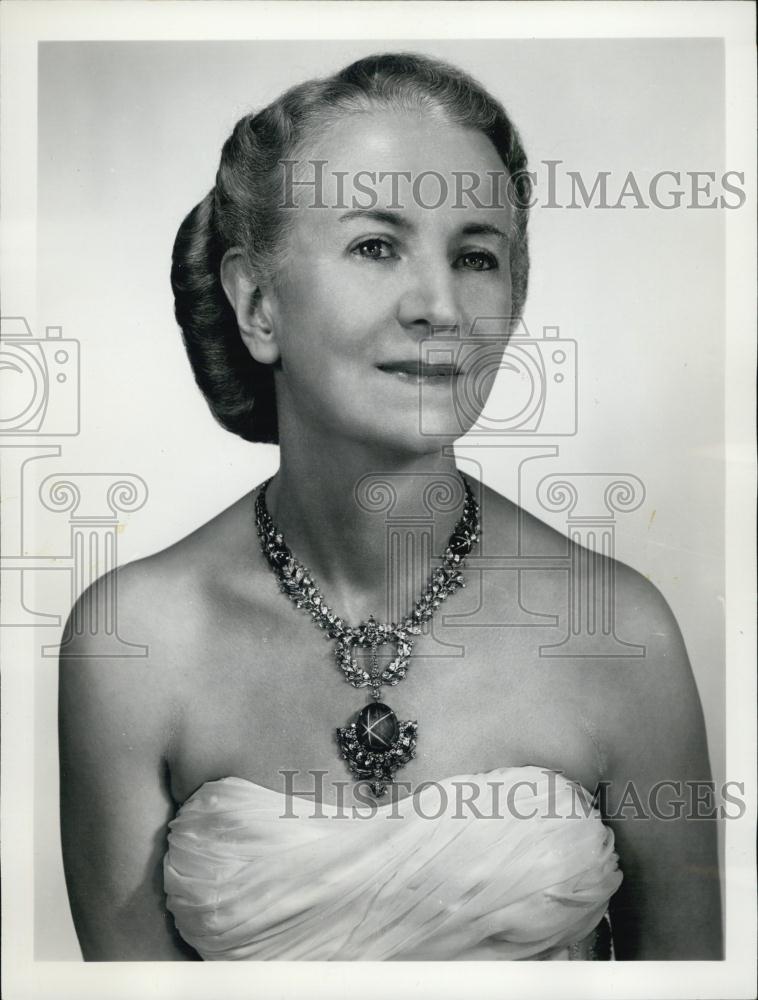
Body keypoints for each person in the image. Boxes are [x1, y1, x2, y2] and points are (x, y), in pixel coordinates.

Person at [58, 52, 721, 961]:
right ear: (256, 303)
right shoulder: (134, 640)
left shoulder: (622, 631)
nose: (441, 306)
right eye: (377, 246)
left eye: (477, 256)